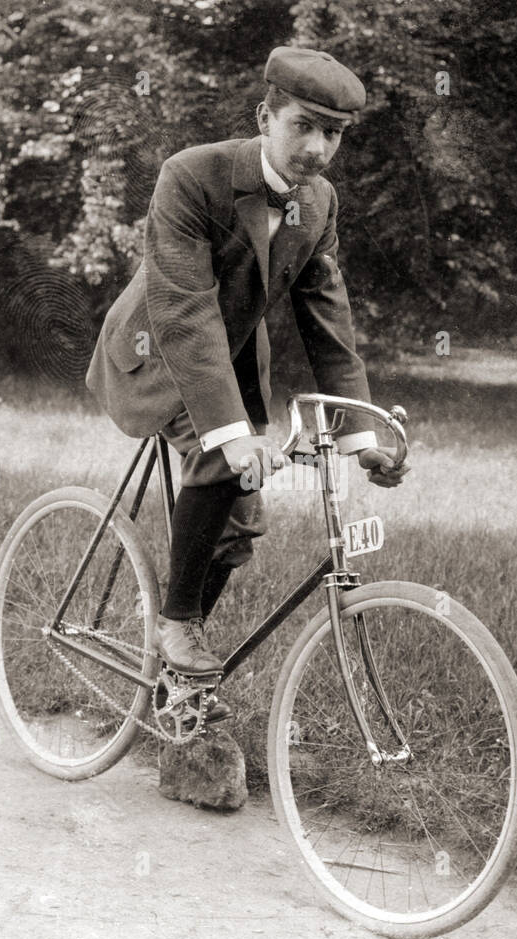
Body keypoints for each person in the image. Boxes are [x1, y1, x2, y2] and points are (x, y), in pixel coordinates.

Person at [85, 45, 409, 719]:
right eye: (303, 126)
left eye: (334, 133)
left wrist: (360, 437)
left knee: (241, 519)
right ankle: (175, 623)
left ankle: (176, 679)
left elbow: (329, 323)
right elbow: (184, 309)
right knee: (219, 453)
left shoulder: (318, 204)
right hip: (157, 348)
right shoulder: (192, 176)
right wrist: (231, 432)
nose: (318, 147)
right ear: (266, 116)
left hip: (229, 356)